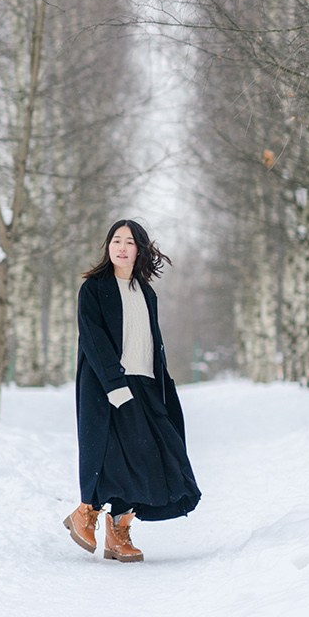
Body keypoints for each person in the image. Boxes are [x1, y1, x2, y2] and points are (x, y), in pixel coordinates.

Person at [63, 219, 201, 563]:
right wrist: (114, 385)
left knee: (148, 454)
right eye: (115, 241)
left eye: (129, 242)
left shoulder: (146, 292)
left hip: (146, 383)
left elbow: (152, 341)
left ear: (139, 250)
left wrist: (161, 382)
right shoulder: (94, 289)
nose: (121, 248)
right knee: (110, 452)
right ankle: (87, 512)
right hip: (106, 382)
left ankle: (118, 528)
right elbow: (93, 341)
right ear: (108, 247)